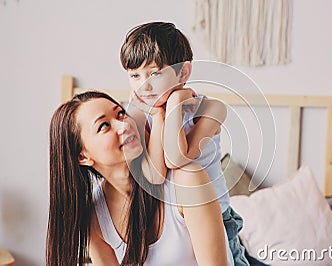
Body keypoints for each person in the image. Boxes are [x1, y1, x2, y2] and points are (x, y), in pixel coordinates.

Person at [46, 91, 233, 265]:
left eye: (120, 114)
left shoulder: (187, 181)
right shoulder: (95, 219)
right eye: (104, 126)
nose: (124, 125)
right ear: (83, 156)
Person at [120, 21, 250, 266]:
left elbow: (177, 158)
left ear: (183, 73)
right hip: (168, 224)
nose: (143, 85)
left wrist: (175, 105)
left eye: (154, 73)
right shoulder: (136, 115)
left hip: (216, 221)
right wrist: (159, 115)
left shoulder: (211, 109)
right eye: (134, 75)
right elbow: (155, 174)